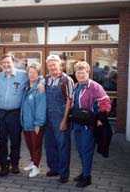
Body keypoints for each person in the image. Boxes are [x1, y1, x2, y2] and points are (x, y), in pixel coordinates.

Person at [0, 53, 28, 176]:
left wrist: (41, 83)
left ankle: (14, 164)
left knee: (15, 140)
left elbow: (36, 78)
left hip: (15, 113)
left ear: (13, 62)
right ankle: (4, 165)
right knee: (1, 141)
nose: (6, 65)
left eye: (8, 62)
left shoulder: (23, 75)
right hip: (0, 114)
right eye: (3, 63)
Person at [70, 61, 111, 188]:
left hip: (89, 125)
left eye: (83, 73)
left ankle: (87, 177)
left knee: (87, 150)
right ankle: (84, 172)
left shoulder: (95, 86)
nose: (80, 75)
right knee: (81, 150)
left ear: (88, 72)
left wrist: (100, 119)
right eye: (78, 72)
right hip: (77, 123)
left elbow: (106, 103)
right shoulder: (76, 86)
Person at [44, 54, 74, 184]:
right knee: (50, 145)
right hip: (48, 117)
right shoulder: (46, 79)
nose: (52, 67)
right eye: (49, 65)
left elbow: (70, 100)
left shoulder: (67, 80)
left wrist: (64, 120)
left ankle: (64, 173)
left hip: (61, 117)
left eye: (54, 64)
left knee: (63, 146)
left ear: (60, 65)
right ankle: (54, 168)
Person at [21, 63, 46, 178]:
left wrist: (38, 123)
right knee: (30, 145)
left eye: (34, 73)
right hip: (26, 122)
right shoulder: (26, 86)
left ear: (38, 74)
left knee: (36, 146)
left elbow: (41, 107)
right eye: (30, 72)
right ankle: (33, 162)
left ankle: (36, 167)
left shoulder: (40, 88)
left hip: (35, 123)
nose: (32, 75)